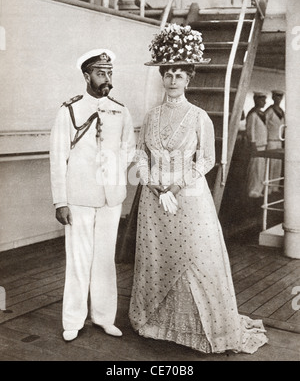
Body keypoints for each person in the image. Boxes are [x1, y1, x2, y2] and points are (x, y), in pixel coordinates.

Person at [129, 24, 268, 354]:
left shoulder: (199, 117)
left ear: (189, 79)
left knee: (195, 258)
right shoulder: (150, 117)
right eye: (168, 74)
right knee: (157, 258)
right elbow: (140, 153)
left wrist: (174, 186)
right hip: (153, 198)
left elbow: (207, 159)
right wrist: (153, 183)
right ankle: (157, 323)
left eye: (179, 75)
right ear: (162, 77)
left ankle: (203, 329)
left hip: (188, 197)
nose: (173, 80)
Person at [50, 49, 136, 342]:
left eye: (109, 73)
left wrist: (113, 177)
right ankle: (73, 320)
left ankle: (103, 317)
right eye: (101, 73)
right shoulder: (69, 110)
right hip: (79, 198)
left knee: (104, 259)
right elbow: (58, 157)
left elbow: (128, 150)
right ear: (87, 76)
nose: (107, 79)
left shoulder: (121, 110)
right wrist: (60, 201)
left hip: (110, 198)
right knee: (78, 260)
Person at [245, 92, 268, 198]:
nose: (264, 102)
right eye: (262, 100)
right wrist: (253, 144)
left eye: (264, 100)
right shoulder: (253, 114)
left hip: (262, 145)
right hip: (256, 146)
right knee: (255, 169)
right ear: (256, 100)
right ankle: (253, 190)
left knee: (260, 169)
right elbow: (250, 131)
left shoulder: (261, 113)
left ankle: (258, 189)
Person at [265, 90, 285, 193]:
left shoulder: (282, 111)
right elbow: (264, 125)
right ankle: (268, 187)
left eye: (280, 97)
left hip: (279, 141)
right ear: (273, 98)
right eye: (276, 97)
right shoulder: (269, 111)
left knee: (278, 165)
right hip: (271, 140)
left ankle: (275, 187)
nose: (278, 99)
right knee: (270, 164)